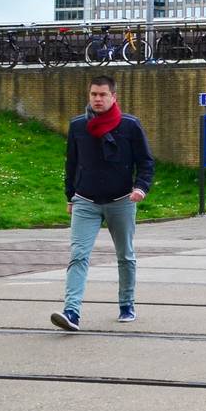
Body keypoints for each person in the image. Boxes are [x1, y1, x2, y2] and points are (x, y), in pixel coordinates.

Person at [53, 74, 155, 331]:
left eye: (103, 95)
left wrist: (141, 187)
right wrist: (70, 196)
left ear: (113, 97)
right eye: (93, 95)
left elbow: (146, 162)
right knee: (78, 255)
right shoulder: (78, 126)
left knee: (126, 256)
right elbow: (71, 164)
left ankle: (126, 304)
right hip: (85, 201)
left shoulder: (130, 126)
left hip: (121, 200)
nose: (97, 99)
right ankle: (72, 312)